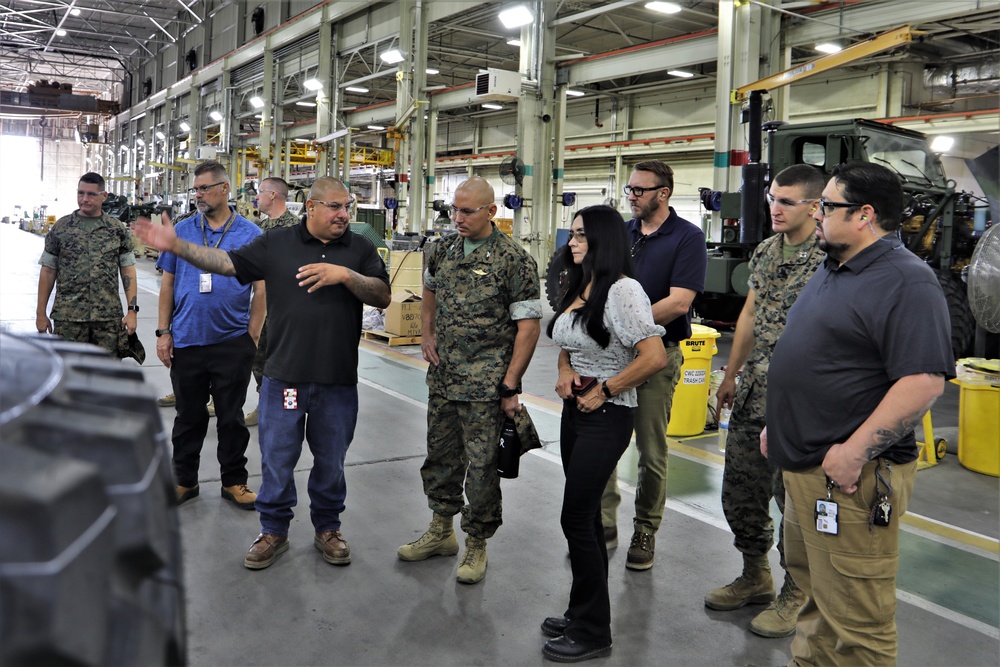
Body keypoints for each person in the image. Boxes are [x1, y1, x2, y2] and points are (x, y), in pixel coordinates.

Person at [136, 176, 390, 570]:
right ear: (312, 208)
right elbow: (226, 263)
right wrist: (177, 246)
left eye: (347, 207)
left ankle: (328, 527)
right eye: (336, 207)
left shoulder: (359, 247)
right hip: (286, 379)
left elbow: (382, 294)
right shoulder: (278, 243)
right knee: (277, 457)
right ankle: (273, 529)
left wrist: (345, 276)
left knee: (331, 460)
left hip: (336, 381)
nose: (344, 215)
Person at [763, 162, 953, 666]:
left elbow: (923, 380)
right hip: (805, 464)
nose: (817, 215)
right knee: (815, 599)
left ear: (865, 214)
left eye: (828, 206)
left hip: (850, 479)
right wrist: (779, 426)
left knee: (857, 620)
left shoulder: (906, 281)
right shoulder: (835, 266)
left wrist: (854, 452)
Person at [396, 176, 542, 585]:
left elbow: (528, 326)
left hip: (485, 385)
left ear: (491, 212)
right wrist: (426, 334)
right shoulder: (440, 249)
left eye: (467, 211)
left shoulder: (513, 259)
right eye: (453, 210)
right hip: (443, 378)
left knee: (481, 470)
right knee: (440, 458)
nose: (457, 218)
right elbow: (429, 293)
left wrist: (511, 383)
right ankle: (441, 532)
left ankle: (476, 543)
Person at [704, 165, 826, 637]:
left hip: (801, 399)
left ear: (815, 207)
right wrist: (730, 374)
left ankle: (797, 590)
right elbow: (750, 312)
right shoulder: (766, 251)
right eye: (772, 198)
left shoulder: (829, 257)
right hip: (756, 391)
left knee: (793, 499)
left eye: (786, 201)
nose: (774, 208)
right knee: (741, 489)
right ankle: (755, 573)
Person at [542, 206, 667, 663]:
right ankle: (580, 612)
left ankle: (594, 631)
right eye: (572, 235)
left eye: (580, 236)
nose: (571, 243)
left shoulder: (623, 290)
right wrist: (564, 369)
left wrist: (607, 389)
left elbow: (654, 356)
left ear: (602, 240)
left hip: (607, 415)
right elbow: (568, 339)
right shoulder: (581, 283)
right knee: (588, 518)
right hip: (575, 411)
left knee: (575, 518)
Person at [601, 160, 707, 570]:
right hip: (611, 356)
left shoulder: (687, 238)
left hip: (657, 357)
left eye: (640, 190)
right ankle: (605, 522)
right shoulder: (622, 235)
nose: (632, 196)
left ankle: (645, 529)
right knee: (605, 441)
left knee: (650, 449)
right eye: (629, 189)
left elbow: (680, 302)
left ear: (663, 193)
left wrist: (623, 326)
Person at [155, 160, 264, 509]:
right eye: (195, 189)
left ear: (224, 188)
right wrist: (163, 332)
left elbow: (262, 289)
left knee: (231, 418)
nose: (198, 195)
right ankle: (184, 480)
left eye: (204, 188)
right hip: (186, 339)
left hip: (232, 341)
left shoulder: (250, 234)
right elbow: (167, 284)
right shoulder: (183, 230)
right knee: (188, 417)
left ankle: (234, 481)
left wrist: (253, 335)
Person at [36, 172, 138, 355]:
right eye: (80, 193)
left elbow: (128, 271)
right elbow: (48, 271)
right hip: (68, 319)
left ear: (104, 196)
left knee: (107, 376)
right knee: (69, 376)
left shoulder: (116, 229)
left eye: (91, 194)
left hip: (107, 319)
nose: (84, 199)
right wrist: (40, 313)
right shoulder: (61, 228)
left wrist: (132, 311)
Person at [245, 176, 301, 426]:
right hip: (262, 306)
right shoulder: (259, 228)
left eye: (260, 192)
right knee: (259, 359)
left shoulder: (296, 229)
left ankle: (291, 407)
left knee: (288, 364)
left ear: (273, 195)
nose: (256, 196)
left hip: (288, 310)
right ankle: (264, 403)